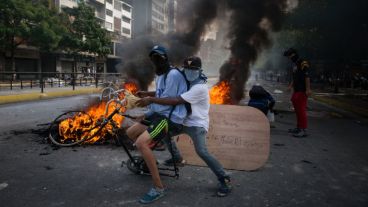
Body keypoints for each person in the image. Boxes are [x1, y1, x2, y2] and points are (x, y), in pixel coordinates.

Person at [136, 56, 232, 197]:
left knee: (202, 152)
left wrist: (150, 99)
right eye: (186, 69)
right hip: (182, 121)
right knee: (164, 134)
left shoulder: (199, 87)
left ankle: (224, 178)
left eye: (192, 69)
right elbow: (167, 93)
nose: (189, 72)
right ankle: (177, 157)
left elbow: (175, 100)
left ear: (199, 70)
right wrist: (147, 93)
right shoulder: (186, 81)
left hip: (197, 124)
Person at [126, 45, 188, 204]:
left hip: (170, 118)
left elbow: (171, 101)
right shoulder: (161, 76)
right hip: (160, 114)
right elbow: (162, 94)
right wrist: (147, 95)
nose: (156, 61)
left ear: (166, 58)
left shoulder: (173, 74)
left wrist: (150, 101)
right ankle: (148, 162)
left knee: (141, 143)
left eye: (159, 58)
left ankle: (159, 188)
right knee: (131, 133)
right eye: (153, 59)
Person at [283, 48, 312, 137]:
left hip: (303, 90)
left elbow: (307, 76)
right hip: (297, 90)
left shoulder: (303, 63)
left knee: (301, 110)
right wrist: (290, 86)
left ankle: (303, 130)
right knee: (297, 109)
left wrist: (308, 89)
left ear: (294, 54)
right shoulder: (295, 64)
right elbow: (294, 77)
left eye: (289, 56)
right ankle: (299, 127)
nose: (289, 58)